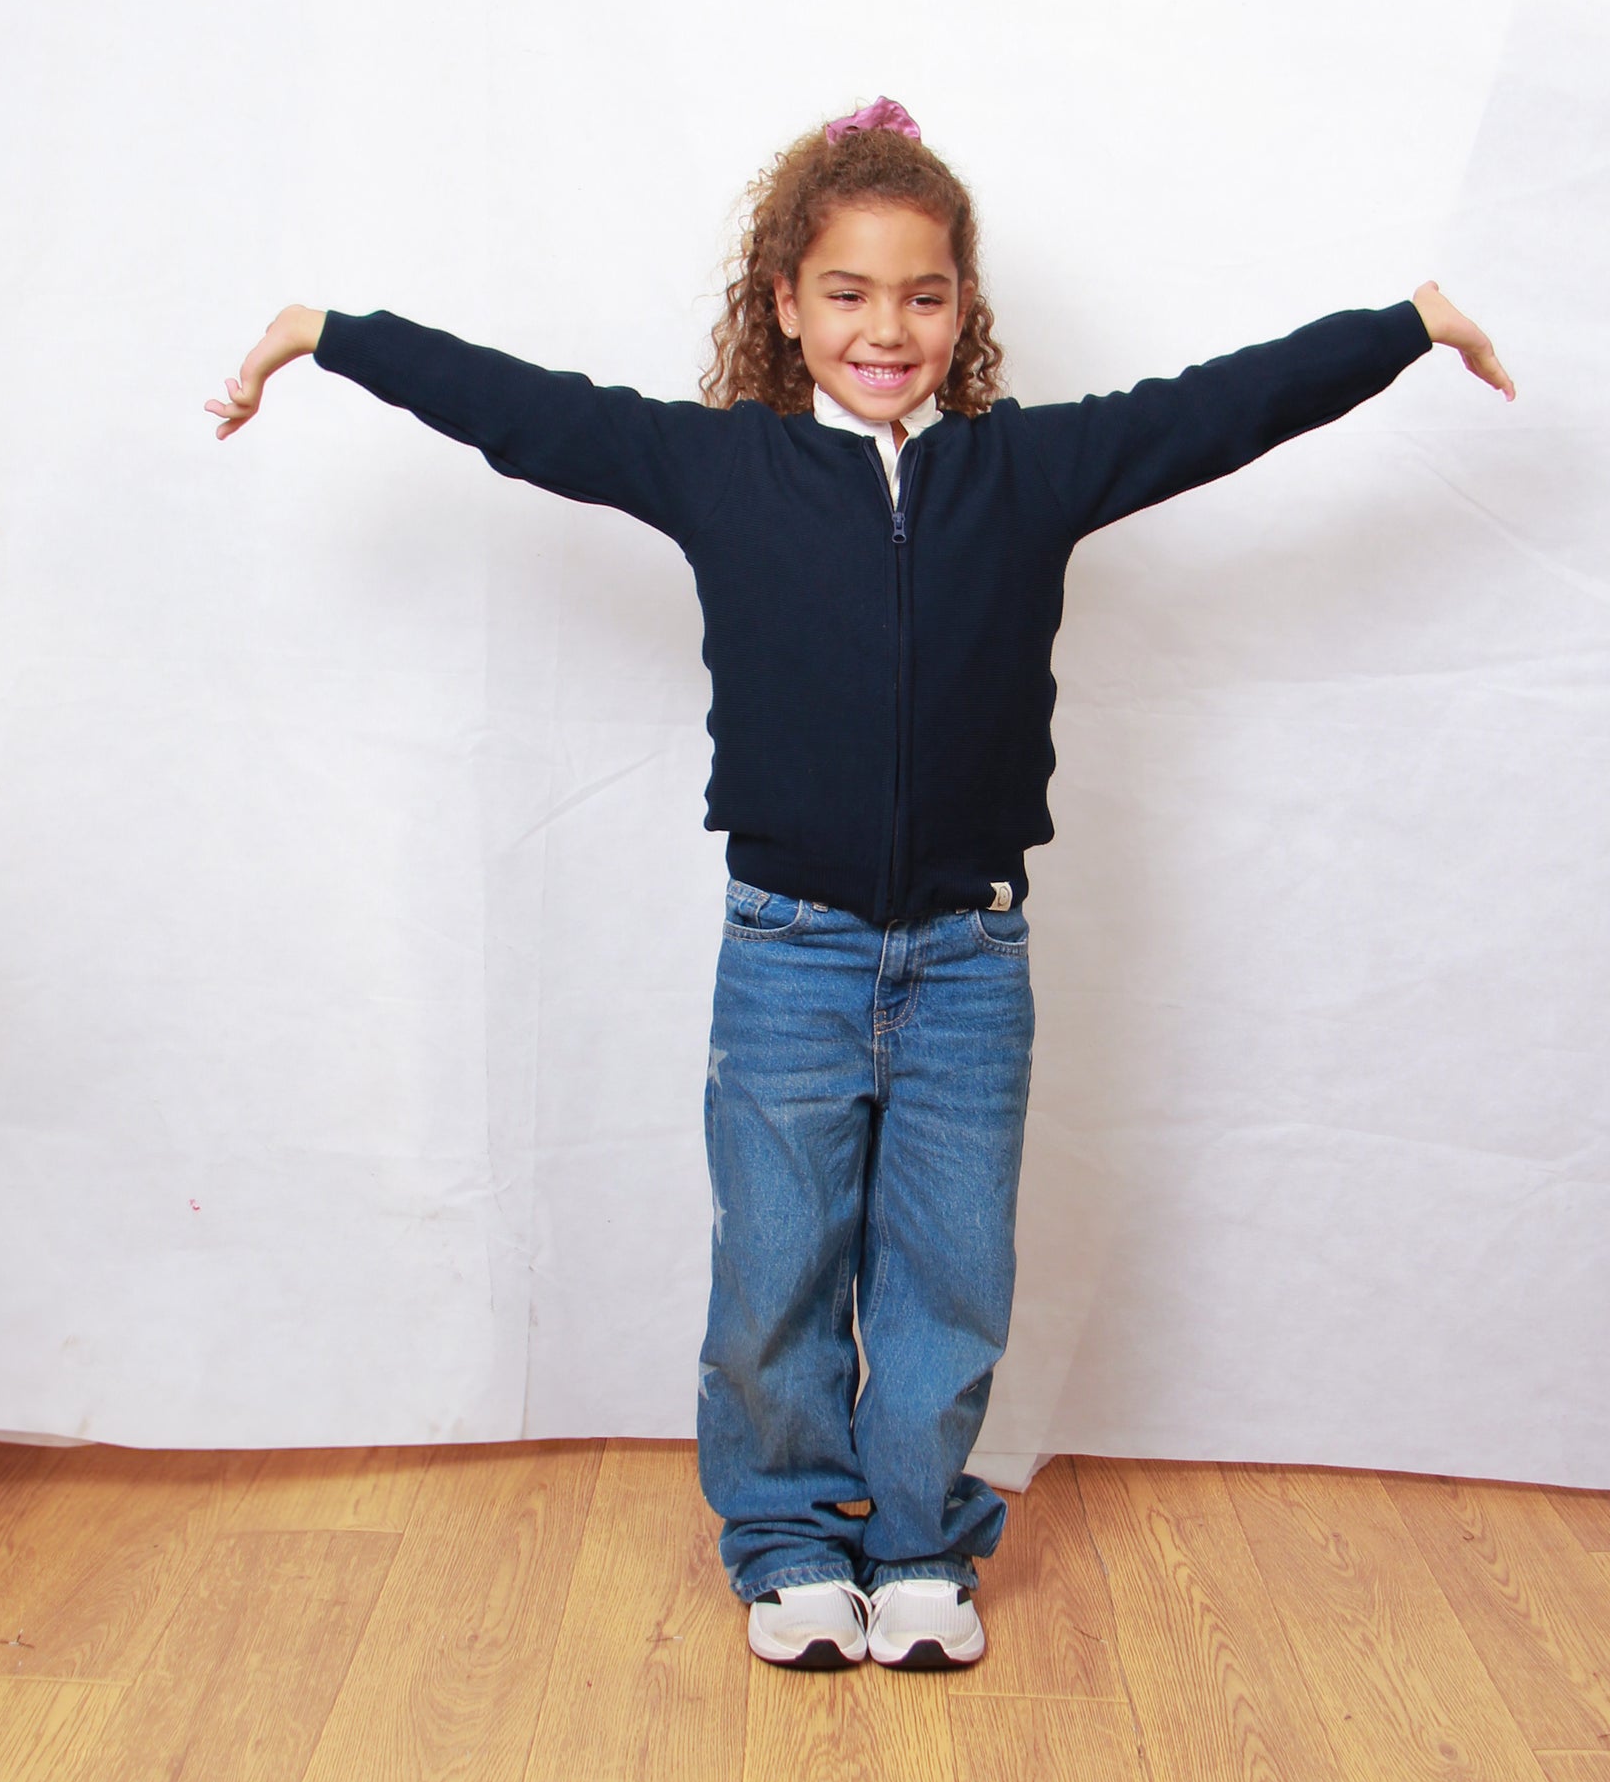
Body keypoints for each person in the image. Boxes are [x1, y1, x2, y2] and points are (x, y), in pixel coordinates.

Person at [207, 97, 1514, 1672]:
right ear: (782, 303)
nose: (884, 328)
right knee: (776, 1267)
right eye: (845, 292)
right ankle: (784, 1541)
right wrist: (330, 335)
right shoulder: (717, 469)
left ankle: (916, 1547)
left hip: (970, 957)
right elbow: (529, 413)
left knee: (948, 1274)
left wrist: (1405, 325)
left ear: (963, 310)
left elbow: (1219, 409)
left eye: (922, 294)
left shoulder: (1026, 472)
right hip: (791, 954)